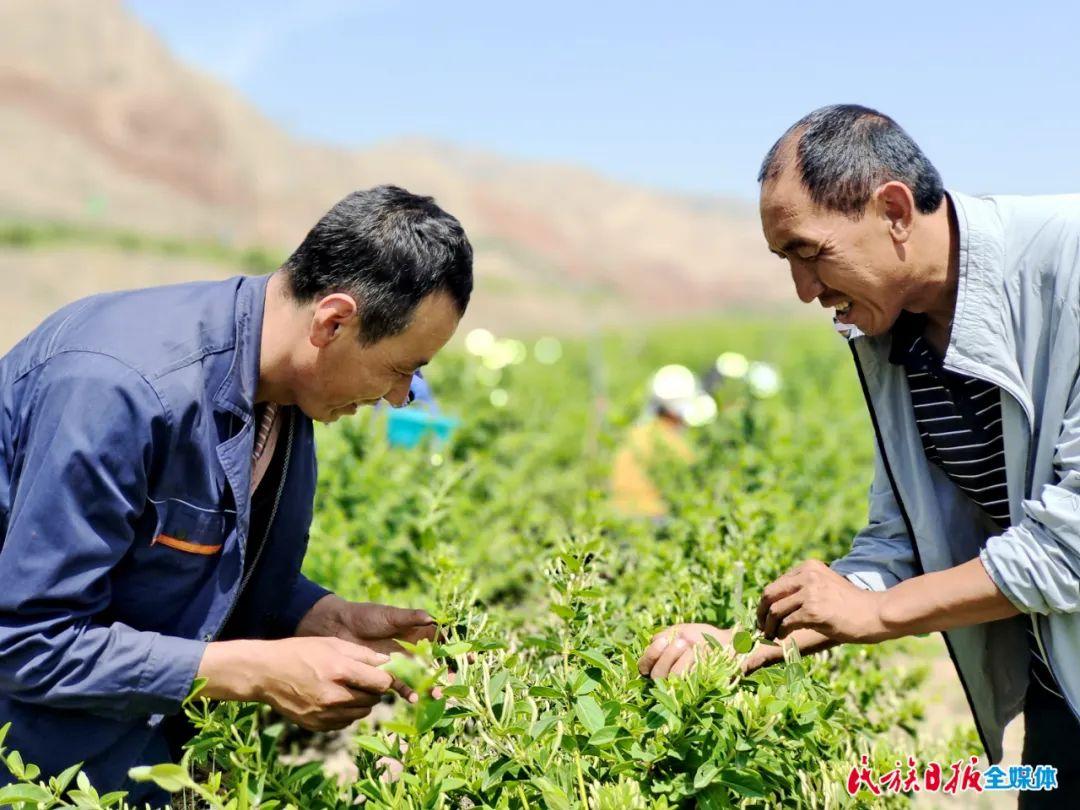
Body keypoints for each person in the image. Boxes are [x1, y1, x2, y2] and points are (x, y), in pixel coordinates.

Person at [639, 105, 1080, 804]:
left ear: (895, 210)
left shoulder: (1072, 267)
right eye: (787, 262)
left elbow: (1071, 549)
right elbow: (898, 548)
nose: (804, 291)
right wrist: (745, 645)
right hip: (1063, 682)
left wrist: (876, 616)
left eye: (810, 252)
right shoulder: (892, 337)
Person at [0, 185, 473, 803]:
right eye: (398, 368)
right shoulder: (120, 388)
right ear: (333, 321)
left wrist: (316, 616)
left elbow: (180, 561)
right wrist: (254, 672)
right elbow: (28, 639)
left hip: (122, 753)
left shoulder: (287, 392)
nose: (399, 398)